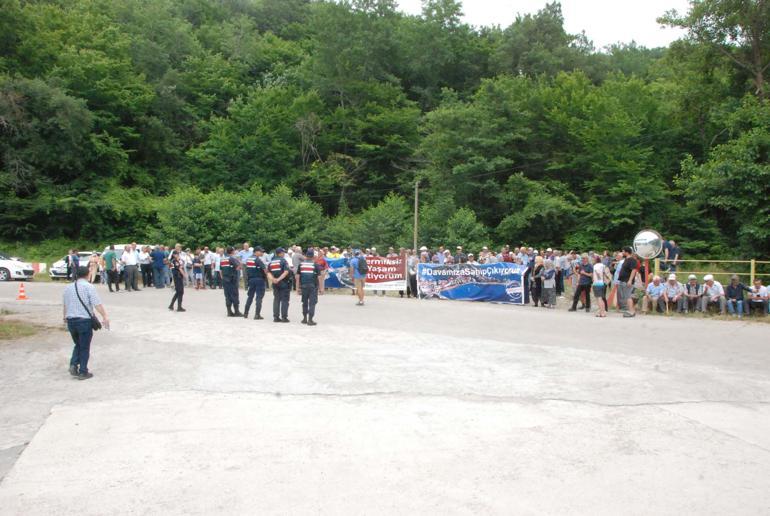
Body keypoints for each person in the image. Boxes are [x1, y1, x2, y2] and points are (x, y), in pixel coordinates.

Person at [62, 266, 109, 380]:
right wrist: (104, 316)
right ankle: (83, 371)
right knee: (84, 346)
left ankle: (73, 364)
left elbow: (65, 305)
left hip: (71, 320)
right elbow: (96, 303)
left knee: (78, 343)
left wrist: (64, 318)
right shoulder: (89, 287)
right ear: (88, 274)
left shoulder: (68, 288)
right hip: (84, 321)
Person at [297, 248, 322, 326]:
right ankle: (310, 320)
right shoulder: (316, 265)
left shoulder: (301, 265)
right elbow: (319, 278)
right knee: (312, 303)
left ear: (306, 255)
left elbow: (297, 277)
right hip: (313, 286)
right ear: (313, 256)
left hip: (303, 286)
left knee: (304, 302)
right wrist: (321, 288)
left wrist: (298, 287)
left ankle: (304, 319)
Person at [243, 246, 267, 320]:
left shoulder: (248, 259)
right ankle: (257, 315)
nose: (262, 253)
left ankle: (245, 313)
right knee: (259, 297)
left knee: (250, 296)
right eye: (260, 251)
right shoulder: (257, 260)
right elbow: (265, 270)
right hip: (259, 280)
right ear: (256, 252)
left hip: (251, 280)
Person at [268, 248, 291, 322]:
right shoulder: (283, 261)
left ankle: (276, 317)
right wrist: (278, 279)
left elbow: (268, 273)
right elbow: (286, 272)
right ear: (280, 253)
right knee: (284, 300)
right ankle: (284, 317)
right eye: (283, 252)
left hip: (275, 283)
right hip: (283, 282)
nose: (284, 254)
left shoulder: (271, 262)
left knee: (276, 299)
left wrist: (273, 279)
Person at [617, 247, 638, 318]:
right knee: (626, 297)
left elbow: (634, 270)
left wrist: (630, 280)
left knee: (628, 296)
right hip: (623, 280)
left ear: (627, 252)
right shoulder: (626, 259)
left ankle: (631, 311)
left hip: (627, 281)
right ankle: (631, 310)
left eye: (623, 251)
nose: (622, 252)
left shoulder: (632, 260)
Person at [221, 247, 242, 317]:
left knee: (227, 295)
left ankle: (229, 312)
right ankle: (237, 312)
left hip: (225, 279)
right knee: (235, 295)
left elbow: (220, 270)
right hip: (232, 279)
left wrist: (223, 277)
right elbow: (239, 267)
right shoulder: (232, 258)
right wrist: (239, 262)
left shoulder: (222, 259)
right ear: (232, 251)